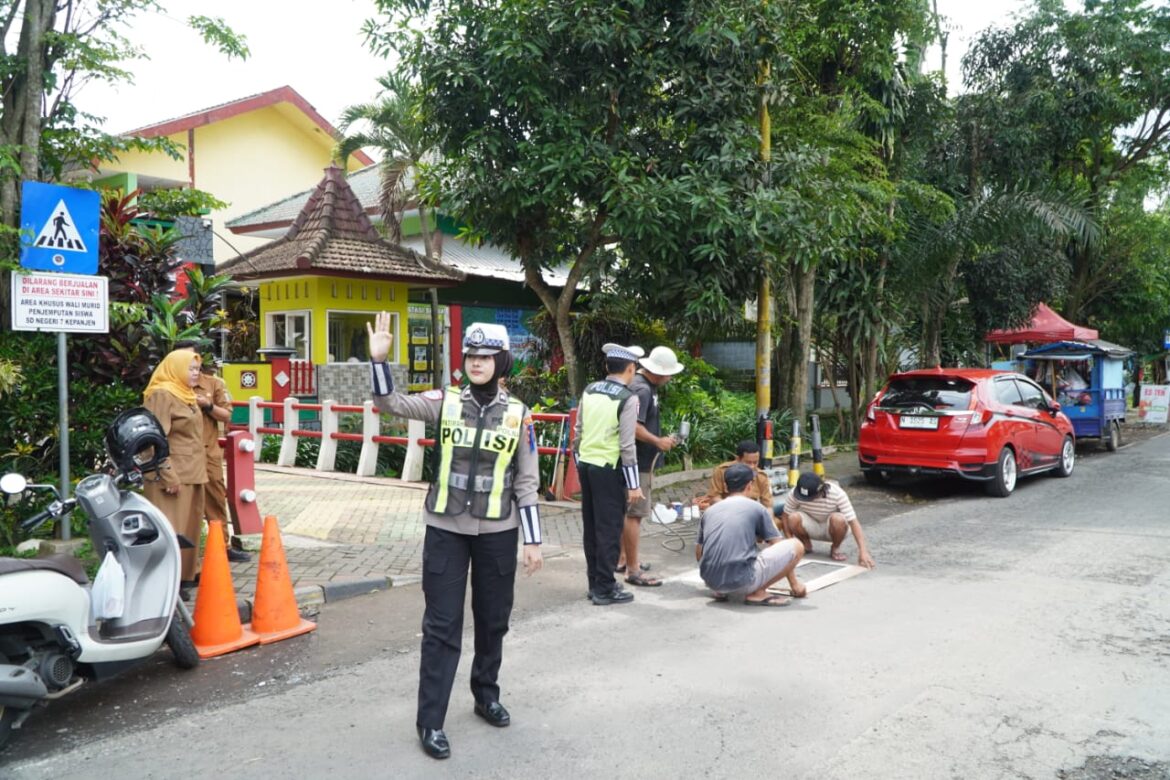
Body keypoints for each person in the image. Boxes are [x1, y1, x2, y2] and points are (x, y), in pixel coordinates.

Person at [366, 312, 543, 761]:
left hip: (498, 532)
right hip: (445, 530)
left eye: (486, 356)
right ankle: (431, 721)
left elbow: (526, 480)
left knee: (493, 619)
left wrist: (534, 539)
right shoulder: (443, 401)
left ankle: (486, 695)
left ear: (502, 362)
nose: (477, 362)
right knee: (441, 627)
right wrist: (379, 361)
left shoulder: (520, 416)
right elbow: (391, 405)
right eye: (471, 354)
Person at [574, 342, 644, 606]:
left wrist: (579, 463)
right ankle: (605, 588)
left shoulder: (590, 390)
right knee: (609, 530)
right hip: (608, 469)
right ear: (630, 368)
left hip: (587, 466)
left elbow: (578, 432)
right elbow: (627, 445)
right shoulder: (628, 398)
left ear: (606, 367)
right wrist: (634, 484)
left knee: (591, 529)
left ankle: (595, 583)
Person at [142, 349, 209, 597]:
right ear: (176, 368)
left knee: (190, 528)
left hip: (193, 472)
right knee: (171, 530)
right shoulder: (162, 394)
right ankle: (168, 582)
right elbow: (153, 439)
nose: (196, 374)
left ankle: (185, 577)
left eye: (197, 369)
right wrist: (167, 473)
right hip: (171, 476)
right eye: (191, 369)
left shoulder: (187, 394)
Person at [617, 345, 685, 587]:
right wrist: (657, 441)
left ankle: (624, 559)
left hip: (640, 460)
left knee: (630, 512)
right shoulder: (642, 390)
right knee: (634, 514)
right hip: (637, 462)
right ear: (660, 372)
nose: (670, 378)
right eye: (670, 373)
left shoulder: (646, 388)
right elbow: (633, 426)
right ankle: (632, 570)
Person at [695, 464, 806, 606]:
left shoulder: (710, 511)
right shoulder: (756, 508)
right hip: (742, 582)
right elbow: (778, 545)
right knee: (796, 546)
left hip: (711, 582)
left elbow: (699, 552)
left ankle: (722, 590)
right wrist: (795, 585)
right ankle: (758, 593)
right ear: (749, 485)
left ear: (726, 486)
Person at [193, 356, 251, 563]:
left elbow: (227, 415)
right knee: (185, 503)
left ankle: (222, 545)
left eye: (195, 361)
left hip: (208, 451)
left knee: (216, 498)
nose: (192, 367)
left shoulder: (214, 384)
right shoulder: (171, 385)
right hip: (182, 454)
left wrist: (207, 405)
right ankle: (187, 553)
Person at [779, 472, 875, 569]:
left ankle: (835, 547)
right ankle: (805, 544)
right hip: (811, 525)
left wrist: (863, 551)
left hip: (833, 528)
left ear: (821, 491)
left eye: (810, 498)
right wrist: (790, 545)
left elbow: (853, 522)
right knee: (793, 517)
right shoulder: (794, 493)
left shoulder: (837, 494)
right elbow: (785, 516)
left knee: (838, 519)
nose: (808, 500)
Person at [699, 440, 774, 514]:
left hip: (750, 515)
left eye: (755, 462)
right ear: (738, 459)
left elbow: (768, 506)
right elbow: (713, 497)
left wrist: (768, 522)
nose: (752, 466)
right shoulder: (721, 471)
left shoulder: (761, 477)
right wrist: (734, 508)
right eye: (748, 462)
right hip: (725, 513)